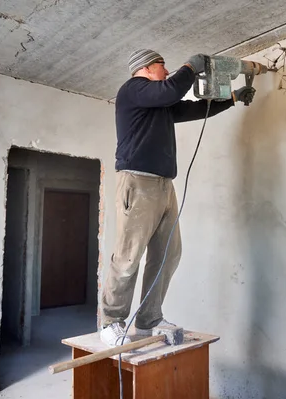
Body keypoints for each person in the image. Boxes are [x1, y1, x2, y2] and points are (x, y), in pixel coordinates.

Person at [100, 49, 256, 346]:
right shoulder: (133, 90)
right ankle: (111, 321)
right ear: (146, 68)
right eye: (162, 65)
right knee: (128, 256)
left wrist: (233, 99)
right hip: (138, 181)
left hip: (163, 185)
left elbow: (190, 110)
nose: (167, 69)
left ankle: (149, 319)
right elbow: (171, 90)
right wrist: (190, 66)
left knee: (168, 254)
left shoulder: (159, 103)